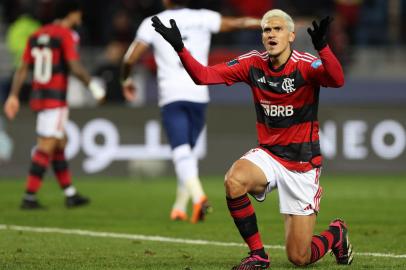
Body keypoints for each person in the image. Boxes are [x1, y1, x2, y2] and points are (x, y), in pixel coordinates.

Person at [151, 8, 353, 269]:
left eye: (277, 29)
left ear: (291, 36)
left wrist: (324, 48)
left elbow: (337, 80)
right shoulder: (252, 63)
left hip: (303, 164)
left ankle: (335, 234)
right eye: (266, 30)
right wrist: (180, 48)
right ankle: (258, 254)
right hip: (269, 154)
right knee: (234, 181)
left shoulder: (306, 64)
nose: (271, 34)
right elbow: (203, 76)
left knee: (299, 257)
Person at [121, 0, 262, 223]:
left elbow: (130, 57)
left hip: (172, 95)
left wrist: (126, 79)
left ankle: (198, 197)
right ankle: (179, 206)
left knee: (181, 150)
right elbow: (240, 22)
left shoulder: (152, 22)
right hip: (199, 93)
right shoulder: (204, 17)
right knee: (189, 153)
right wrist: (269, 22)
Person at [3, 0, 106, 210]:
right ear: (72, 13)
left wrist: (13, 95)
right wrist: (94, 88)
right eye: (78, 14)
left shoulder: (37, 35)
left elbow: (23, 68)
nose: (80, 18)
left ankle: (70, 194)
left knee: (60, 142)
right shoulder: (64, 35)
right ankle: (29, 196)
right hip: (55, 99)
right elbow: (75, 67)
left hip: (39, 97)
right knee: (47, 146)